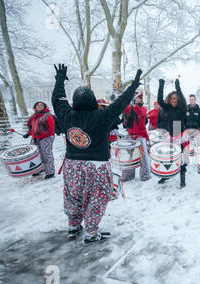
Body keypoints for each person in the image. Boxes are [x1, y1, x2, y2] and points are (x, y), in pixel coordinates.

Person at [52, 63, 142, 245]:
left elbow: (58, 99)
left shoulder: (66, 115)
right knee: (98, 196)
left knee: (73, 194)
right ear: (93, 101)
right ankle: (92, 232)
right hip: (97, 166)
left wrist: (60, 79)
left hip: (72, 165)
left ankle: (73, 224)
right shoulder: (102, 116)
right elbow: (120, 103)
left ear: (75, 103)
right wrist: (133, 87)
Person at [157, 78, 188, 188]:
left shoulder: (182, 108)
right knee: (168, 156)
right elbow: (160, 100)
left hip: (179, 132)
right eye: (171, 99)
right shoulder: (167, 108)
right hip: (170, 132)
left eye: (175, 98)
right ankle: (166, 175)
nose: (173, 100)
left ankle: (182, 178)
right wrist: (161, 85)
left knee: (181, 157)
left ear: (178, 99)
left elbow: (183, 101)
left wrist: (177, 87)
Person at [121, 92, 151, 182]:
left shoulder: (144, 108)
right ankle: (128, 175)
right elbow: (122, 109)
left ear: (141, 99)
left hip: (140, 136)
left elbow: (141, 113)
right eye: (135, 98)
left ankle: (145, 175)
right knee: (128, 156)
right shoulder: (130, 108)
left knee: (143, 156)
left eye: (137, 98)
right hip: (130, 135)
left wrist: (135, 105)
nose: (135, 99)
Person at [23, 101, 56, 179]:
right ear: (35, 107)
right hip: (35, 138)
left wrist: (41, 135)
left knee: (46, 155)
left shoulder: (48, 116)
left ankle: (50, 171)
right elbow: (33, 127)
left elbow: (51, 129)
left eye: (41, 105)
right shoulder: (33, 116)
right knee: (36, 155)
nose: (39, 106)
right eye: (38, 105)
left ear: (44, 107)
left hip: (46, 137)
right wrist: (28, 134)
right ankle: (40, 169)